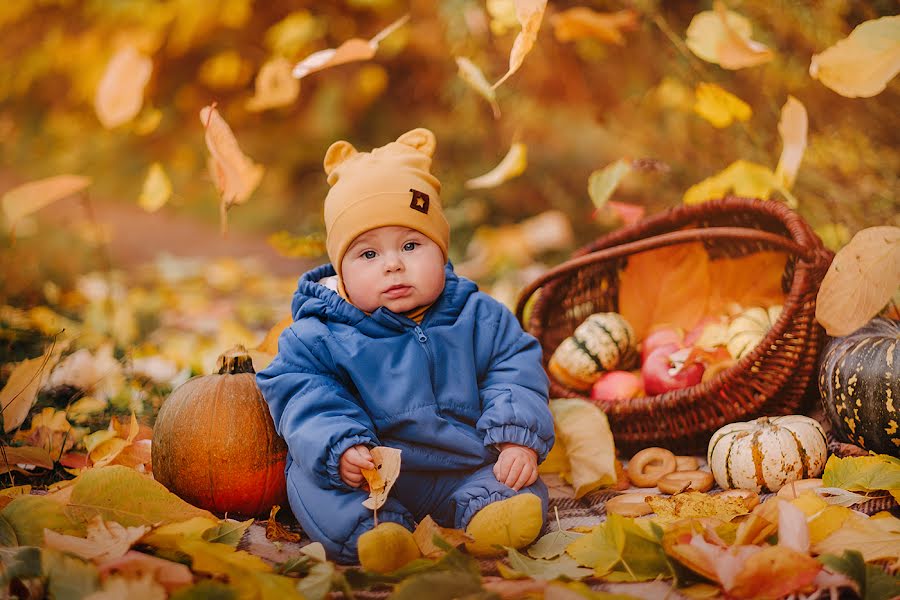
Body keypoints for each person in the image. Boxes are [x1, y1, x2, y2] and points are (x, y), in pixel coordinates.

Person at [257, 128, 554, 564]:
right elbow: (305, 396)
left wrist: (516, 439)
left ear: (441, 250)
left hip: (461, 463)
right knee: (317, 485)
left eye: (411, 245)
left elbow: (514, 370)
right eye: (368, 255)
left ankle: (485, 512)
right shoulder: (318, 334)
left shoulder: (478, 315)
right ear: (341, 272)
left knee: (514, 484)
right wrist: (340, 446)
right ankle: (377, 534)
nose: (394, 264)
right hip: (366, 472)